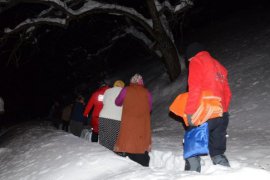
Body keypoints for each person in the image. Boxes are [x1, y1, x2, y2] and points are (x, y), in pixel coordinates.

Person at [184, 42, 232, 172]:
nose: (189, 62)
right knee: (218, 151)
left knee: (193, 143)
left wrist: (190, 111)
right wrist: (224, 110)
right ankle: (225, 171)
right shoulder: (219, 65)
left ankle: (192, 172)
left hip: (205, 112)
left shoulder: (196, 61)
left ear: (192, 55)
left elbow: (195, 89)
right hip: (221, 113)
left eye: (188, 59)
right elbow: (227, 92)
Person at [114, 74, 152, 167]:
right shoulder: (147, 92)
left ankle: (129, 160)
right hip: (142, 122)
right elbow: (150, 108)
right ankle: (143, 163)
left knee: (127, 139)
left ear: (131, 81)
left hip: (128, 121)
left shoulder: (126, 90)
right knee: (140, 142)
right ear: (141, 82)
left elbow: (117, 102)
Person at [99, 80, 125, 151]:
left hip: (103, 117)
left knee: (103, 141)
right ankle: (110, 158)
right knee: (113, 141)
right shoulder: (124, 92)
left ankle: (102, 156)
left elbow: (104, 102)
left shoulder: (107, 91)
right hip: (116, 119)